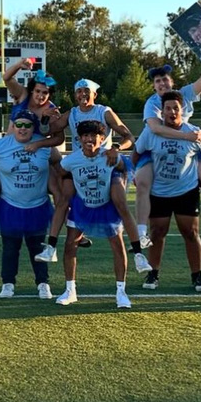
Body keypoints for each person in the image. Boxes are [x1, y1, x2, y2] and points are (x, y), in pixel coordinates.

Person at [40, 78, 149, 275]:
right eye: (79, 91)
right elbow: (48, 130)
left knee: (120, 203)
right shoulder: (71, 114)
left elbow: (128, 137)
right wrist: (45, 118)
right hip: (80, 163)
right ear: (75, 95)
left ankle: (139, 254)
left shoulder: (104, 111)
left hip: (106, 164)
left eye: (86, 91)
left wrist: (116, 149)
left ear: (94, 94)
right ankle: (51, 247)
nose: (82, 95)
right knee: (63, 198)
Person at [0, 58, 66, 249]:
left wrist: (39, 144)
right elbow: (6, 77)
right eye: (38, 91)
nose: (41, 96)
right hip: (9, 150)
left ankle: (71, 227)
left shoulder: (52, 110)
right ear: (32, 89)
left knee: (60, 184)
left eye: (45, 93)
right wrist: (20, 65)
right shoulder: (23, 95)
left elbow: (59, 139)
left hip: (36, 151)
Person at [134, 55, 201, 244]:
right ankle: (141, 232)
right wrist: (187, 136)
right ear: (154, 86)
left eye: (165, 79)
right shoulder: (152, 103)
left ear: (172, 82)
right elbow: (156, 128)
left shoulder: (184, 94)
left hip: (184, 146)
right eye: (158, 81)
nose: (162, 83)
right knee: (143, 181)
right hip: (156, 146)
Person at [133, 91, 201, 292]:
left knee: (191, 233)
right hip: (159, 191)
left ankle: (197, 276)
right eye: (167, 108)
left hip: (186, 190)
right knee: (157, 233)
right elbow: (137, 153)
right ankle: (153, 273)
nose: (172, 112)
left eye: (175, 108)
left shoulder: (194, 132)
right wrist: (139, 173)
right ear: (161, 112)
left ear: (182, 110)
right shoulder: (151, 132)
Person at [51, 120, 135, 309]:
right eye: (85, 136)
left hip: (106, 204)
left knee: (117, 244)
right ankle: (70, 290)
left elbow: (125, 168)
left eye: (93, 136)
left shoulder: (109, 156)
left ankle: (121, 292)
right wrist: (68, 187)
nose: (89, 139)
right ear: (79, 139)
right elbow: (61, 172)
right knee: (70, 244)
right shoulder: (72, 159)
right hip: (83, 204)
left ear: (102, 139)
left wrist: (120, 182)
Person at [0, 109, 58, 300]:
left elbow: (58, 163)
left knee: (38, 247)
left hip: (37, 204)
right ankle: (8, 283)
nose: (23, 129)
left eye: (27, 125)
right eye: (19, 125)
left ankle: (43, 283)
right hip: (10, 204)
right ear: (13, 126)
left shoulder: (45, 146)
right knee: (10, 247)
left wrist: (52, 184)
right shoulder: (0, 146)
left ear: (34, 127)